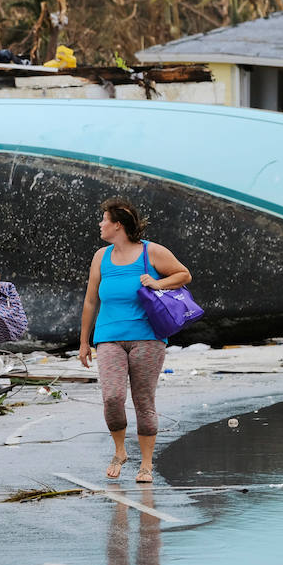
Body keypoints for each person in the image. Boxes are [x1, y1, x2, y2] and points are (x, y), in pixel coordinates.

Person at [77, 198, 192, 484]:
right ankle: (120, 451)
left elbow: (183, 274)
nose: (100, 224)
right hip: (108, 338)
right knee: (113, 397)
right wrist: (83, 342)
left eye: (104, 219)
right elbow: (91, 301)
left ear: (118, 225)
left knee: (144, 401)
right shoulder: (100, 257)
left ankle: (147, 464)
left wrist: (157, 282)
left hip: (147, 338)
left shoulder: (150, 252)